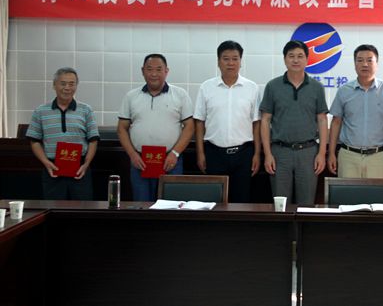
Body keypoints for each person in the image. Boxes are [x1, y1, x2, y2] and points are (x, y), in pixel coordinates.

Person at [117, 54, 194, 201]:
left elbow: (189, 127)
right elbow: (121, 128)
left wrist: (175, 153)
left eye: (159, 69)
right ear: (142, 71)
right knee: (142, 206)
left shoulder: (180, 95)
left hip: (170, 160)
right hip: (140, 161)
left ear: (166, 71)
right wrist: (132, 154)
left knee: (170, 206)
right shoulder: (131, 96)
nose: (153, 74)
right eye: (149, 69)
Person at [260, 40, 328, 205]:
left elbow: (322, 120)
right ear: (285, 59)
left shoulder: (317, 87)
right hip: (280, 152)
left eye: (300, 56)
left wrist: (321, 153)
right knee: (280, 205)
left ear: (307, 59)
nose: (295, 60)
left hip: (308, 153)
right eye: (291, 56)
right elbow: (265, 120)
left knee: (307, 204)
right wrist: (268, 154)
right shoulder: (273, 86)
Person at [194, 40, 261, 203]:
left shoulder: (252, 88)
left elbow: (256, 124)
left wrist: (257, 154)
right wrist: (200, 153)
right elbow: (199, 122)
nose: (230, 63)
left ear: (240, 61)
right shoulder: (206, 87)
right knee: (214, 202)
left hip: (243, 154)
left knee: (241, 202)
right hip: (214, 153)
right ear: (218, 62)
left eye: (235, 59)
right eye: (226, 59)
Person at [26, 67, 100, 200]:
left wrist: (86, 164)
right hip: (52, 168)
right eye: (63, 83)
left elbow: (93, 140)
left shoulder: (86, 110)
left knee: (82, 209)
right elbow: (34, 141)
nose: (67, 88)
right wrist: (45, 162)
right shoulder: (40, 111)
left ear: (76, 86)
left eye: (71, 84)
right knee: (53, 209)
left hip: (80, 169)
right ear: (54, 85)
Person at [328, 44, 383, 178]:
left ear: (377, 64)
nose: (365, 64)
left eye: (369, 60)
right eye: (360, 60)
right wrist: (331, 153)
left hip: (378, 156)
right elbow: (336, 122)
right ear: (355, 64)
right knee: (347, 192)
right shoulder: (344, 91)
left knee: (377, 192)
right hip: (348, 155)